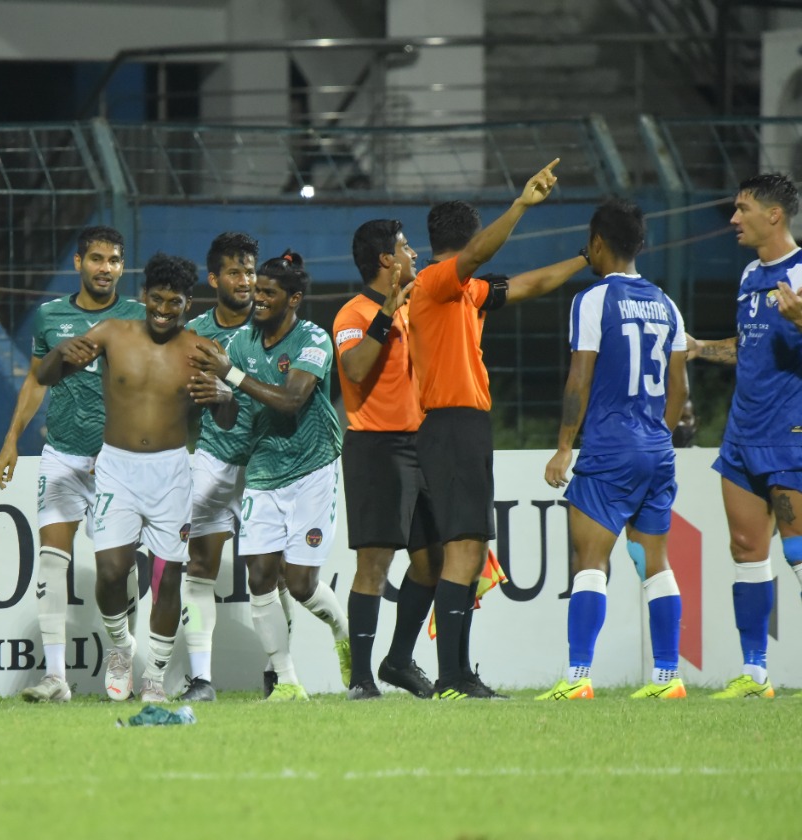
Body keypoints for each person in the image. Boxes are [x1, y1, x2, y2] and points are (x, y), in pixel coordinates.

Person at [408, 158, 591, 699]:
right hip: (450, 424)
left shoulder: (466, 291)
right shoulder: (435, 282)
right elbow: (478, 256)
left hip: (463, 425)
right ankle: (451, 677)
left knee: (467, 552)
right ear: (468, 240)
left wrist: (586, 258)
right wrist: (520, 205)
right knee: (463, 550)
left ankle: (459, 674)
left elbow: (530, 283)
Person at [36, 252, 236, 703]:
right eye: (157, 300)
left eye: (174, 302)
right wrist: (58, 353)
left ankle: (155, 677)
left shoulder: (202, 350)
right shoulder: (111, 333)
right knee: (111, 571)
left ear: (188, 303)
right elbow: (46, 375)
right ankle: (121, 648)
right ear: (143, 296)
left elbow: (226, 419)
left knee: (166, 578)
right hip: (116, 469)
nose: (164, 310)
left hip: (171, 473)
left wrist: (225, 396)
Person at [536, 198, 690, 701]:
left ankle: (578, 677)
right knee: (655, 564)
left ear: (597, 243)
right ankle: (668, 678)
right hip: (657, 449)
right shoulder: (667, 303)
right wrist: (657, 435)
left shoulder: (594, 300)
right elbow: (679, 388)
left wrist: (564, 446)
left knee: (589, 562)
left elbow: (579, 377)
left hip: (609, 449)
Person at [0, 226, 145, 703]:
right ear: (78, 263)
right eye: (97, 259)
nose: (105, 268)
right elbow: (36, 381)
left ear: (122, 266)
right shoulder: (50, 316)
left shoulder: (137, 318)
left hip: (118, 461)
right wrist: (11, 440)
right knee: (51, 560)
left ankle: (121, 654)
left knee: (118, 569)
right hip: (62, 453)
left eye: (114, 260)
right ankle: (56, 677)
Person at [191, 250, 349, 701]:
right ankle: (287, 681)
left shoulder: (312, 339)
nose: (257, 298)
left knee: (299, 584)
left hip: (311, 468)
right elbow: (230, 419)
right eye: (257, 290)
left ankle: (341, 630)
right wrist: (219, 398)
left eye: (268, 293)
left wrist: (231, 376)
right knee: (259, 576)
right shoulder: (242, 342)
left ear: (293, 299)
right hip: (263, 470)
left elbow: (292, 400)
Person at [686, 172, 802, 699]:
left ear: (773, 215)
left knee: (797, 550)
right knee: (746, 549)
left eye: (742, 209)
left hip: (789, 435)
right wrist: (700, 349)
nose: (733, 219)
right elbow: (749, 344)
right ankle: (755, 674)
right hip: (741, 435)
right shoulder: (752, 274)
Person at [332, 219, 439, 700]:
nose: (413, 253)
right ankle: (361, 679)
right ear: (385, 260)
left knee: (432, 563)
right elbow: (355, 369)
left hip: (424, 445)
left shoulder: (418, 305)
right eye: (405, 247)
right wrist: (386, 314)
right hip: (376, 448)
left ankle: (397, 661)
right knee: (374, 566)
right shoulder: (352, 314)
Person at [177, 232, 261, 702]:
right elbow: (177, 399)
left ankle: (278, 674)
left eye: (250, 271)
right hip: (213, 459)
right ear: (213, 279)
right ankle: (202, 680)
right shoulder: (194, 334)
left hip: (266, 462)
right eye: (234, 272)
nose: (245, 280)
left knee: (273, 573)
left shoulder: (272, 324)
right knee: (200, 564)